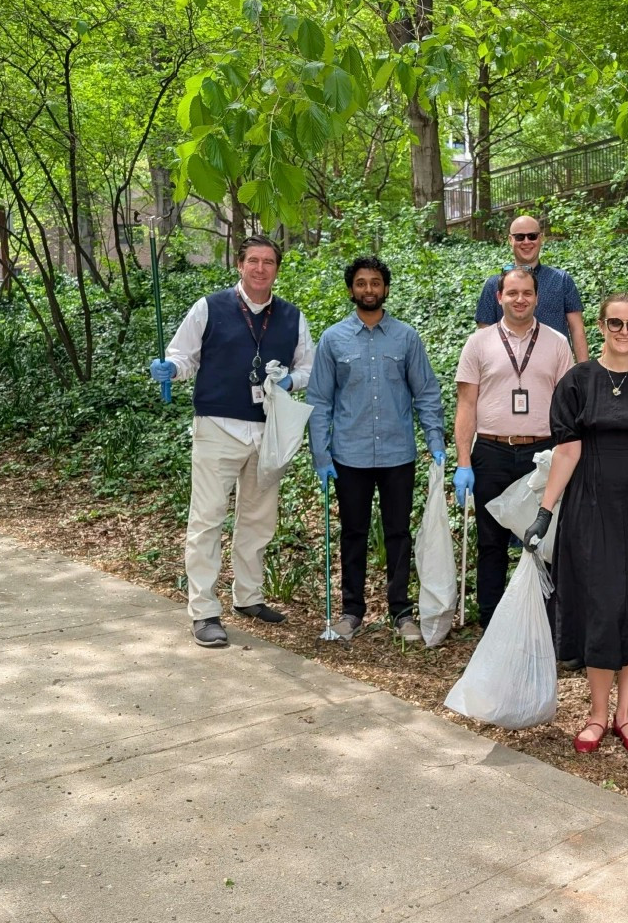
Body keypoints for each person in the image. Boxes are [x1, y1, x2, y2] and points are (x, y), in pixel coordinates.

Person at [524, 294, 628, 753]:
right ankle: (598, 715)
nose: (624, 332)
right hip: (591, 503)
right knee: (600, 603)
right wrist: (545, 511)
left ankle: (625, 714)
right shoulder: (578, 381)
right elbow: (567, 451)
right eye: (615, 323)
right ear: (600, 326)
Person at [148, 233, 314, 649]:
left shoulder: (292, 317)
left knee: (258, 519)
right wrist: (170, 368)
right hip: (217, 427)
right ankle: (204, 610)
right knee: (207, 520)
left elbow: (308, 367)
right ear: (239, 265)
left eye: (268, 262)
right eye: (253, 260)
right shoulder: (209, 307)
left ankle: (248, 596)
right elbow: (183, 356)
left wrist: (291, 381)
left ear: (277, 269)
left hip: (268, 431)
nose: (260, 268)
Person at [306, 257, 446, 644]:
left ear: (385, 288)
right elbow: (319, 400)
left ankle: (401, 612)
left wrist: (435, 440)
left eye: (376, 282)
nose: (369, 289)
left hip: (398, 454)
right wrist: (321, 455)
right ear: (351, 289)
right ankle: (351, 613)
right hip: (348, 456)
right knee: (353, 533)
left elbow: (426, 392)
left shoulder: (406, 338)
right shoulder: (333, 339)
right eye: (361, 283)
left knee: (398, 533)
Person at [453, 267, 574, 628]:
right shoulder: (479, 343)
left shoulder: (557, 343)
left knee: (545, 540)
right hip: (492, 451)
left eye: (527, 293)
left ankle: (545, 621)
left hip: (542, 453)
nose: (520, 299)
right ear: (499, 297)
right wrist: (463, 462)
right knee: (490, 542)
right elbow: (466, 405)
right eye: (512, 293)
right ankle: (491, 620)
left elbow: (568, 406)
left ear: (537, 298)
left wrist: (566, 455)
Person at [474, 215, 588, 362]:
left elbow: (577, 329)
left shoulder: (561, 280)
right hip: (508, 369)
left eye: (532, 236)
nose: (526, 242)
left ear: (540, 238)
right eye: (520, 237)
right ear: (510, 240)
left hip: (556, 368)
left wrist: (584, 371)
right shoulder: (494, 285)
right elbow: (484, 334)